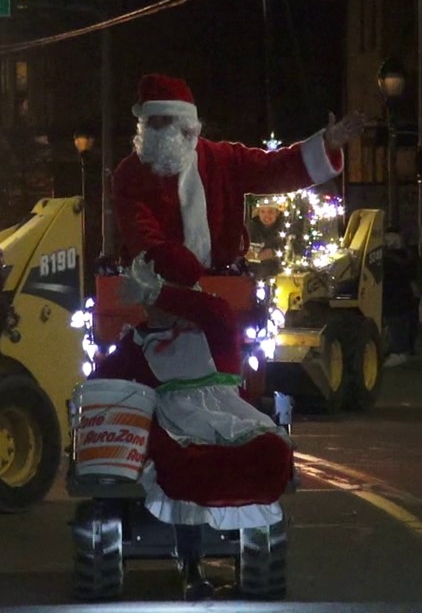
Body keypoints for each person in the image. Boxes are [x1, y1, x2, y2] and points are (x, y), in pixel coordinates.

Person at [88, 252, 293, 600]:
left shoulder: (213, 322)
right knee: (182, 457)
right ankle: (192, 564)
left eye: (153, 298)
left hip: (226, 409)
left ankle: (250, 543)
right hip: (172, 416)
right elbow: (103, 379)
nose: (148, 310)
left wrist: (159, 291)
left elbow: (202, 306)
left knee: (268, 447)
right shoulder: (138, 340)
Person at [111, 73, 365, 276]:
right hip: (155, 289)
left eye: (167, 122)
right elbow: (142, 234)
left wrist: (327, 144)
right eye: (153, 123)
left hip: (222, 284)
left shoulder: (222, 159)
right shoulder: (131, 174)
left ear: (187, 125)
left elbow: (273, 169)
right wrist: (178, 273)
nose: (159, 130)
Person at [382, 226, 418, 366]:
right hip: (399, 294)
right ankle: (397, 350)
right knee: (397, 324)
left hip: (395, 295)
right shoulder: (407, 254)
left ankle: (399, 351)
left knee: (397, 324)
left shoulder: (392, 257)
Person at [246, 200, 286, 278]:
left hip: (276, 271)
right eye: (262, 212)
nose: (266, 215)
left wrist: (274, 253)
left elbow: (285, 248)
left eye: (270, 212)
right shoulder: (251, 227)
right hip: (251, 271)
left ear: (277, 213)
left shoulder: (283, 228)